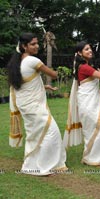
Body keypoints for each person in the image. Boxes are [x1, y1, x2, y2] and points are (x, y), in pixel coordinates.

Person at [7, 32, 67, 175]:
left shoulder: (18, 62)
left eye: (37, 43)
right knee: (52, 132)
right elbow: (53, 74)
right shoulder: (33, 61)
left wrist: (44, 87)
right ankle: (43, 165)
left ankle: (32, 164)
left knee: (35, 134)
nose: (37, 46)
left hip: (25, 104)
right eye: (33, 44)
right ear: (24, 46)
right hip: (33, 105)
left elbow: (25, 84)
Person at [63, 41, 100, 166]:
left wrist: (98, 91)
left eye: (90, 48)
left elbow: (87, 86)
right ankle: (95, 158)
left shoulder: (85, 67)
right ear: (80, 53)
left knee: (98, 130)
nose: (90, 50)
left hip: (90, 102)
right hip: (88, 104)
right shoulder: (85, 67)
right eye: (86, 49)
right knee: (99, 130)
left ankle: (97, 157)